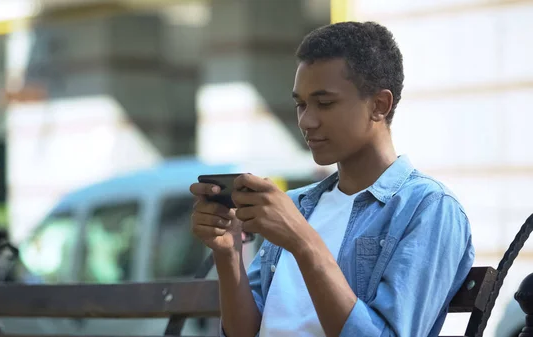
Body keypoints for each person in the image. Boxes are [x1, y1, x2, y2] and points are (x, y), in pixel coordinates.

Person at [190, 21, 475, 337]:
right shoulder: (297, 204)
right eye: (301, 104)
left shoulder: (427, 208)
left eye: (324, 103)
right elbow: (245, 331)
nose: (306, 121)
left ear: (379, 105)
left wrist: (304, 241)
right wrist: (228, 253)